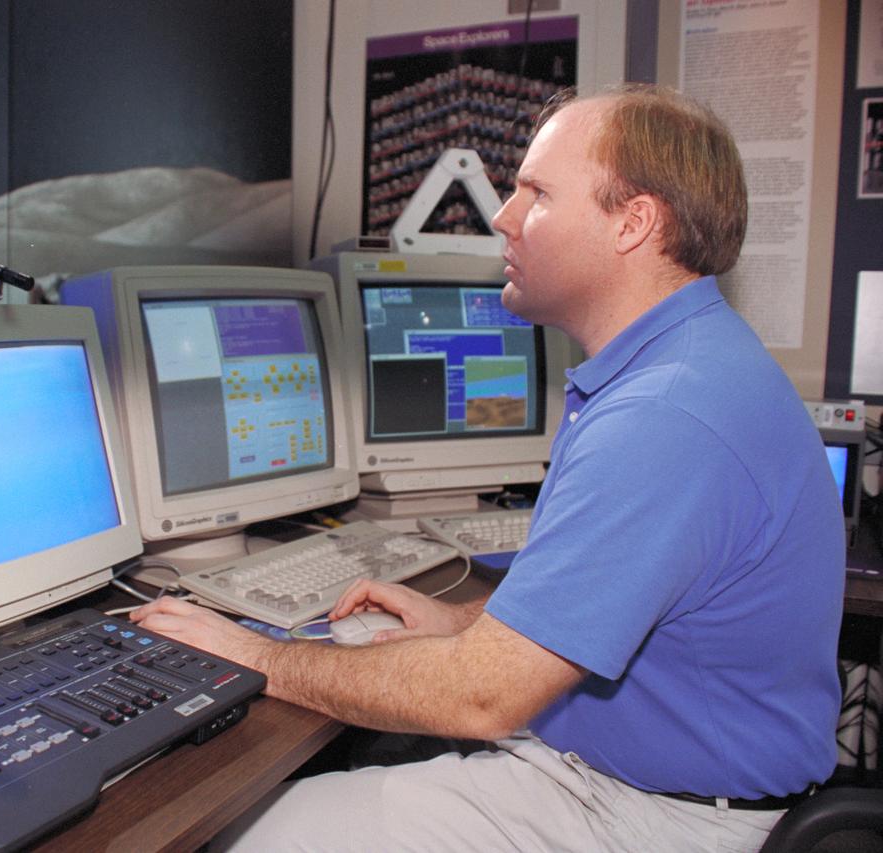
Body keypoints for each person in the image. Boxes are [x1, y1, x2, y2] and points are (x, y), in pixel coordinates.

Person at [132, 83, 845, 852]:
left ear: (633, 223)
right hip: (642, 772)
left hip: (650, 812)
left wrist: (258, 657)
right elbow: (615, 605)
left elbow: (482, 699)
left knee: (247, 836)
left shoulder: (664, 416)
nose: (503, 217)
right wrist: (466, 622)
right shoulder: (687, 363)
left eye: (535, 193)